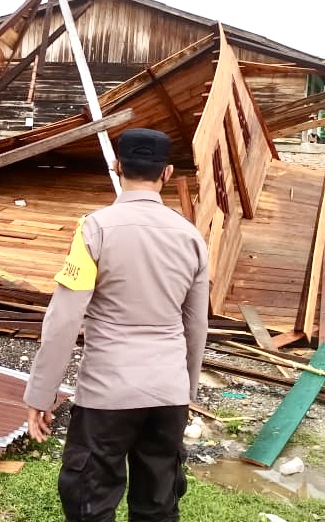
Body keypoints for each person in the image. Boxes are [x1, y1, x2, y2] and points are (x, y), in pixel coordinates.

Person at [24, 127, 209, 522]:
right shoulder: (191, 237)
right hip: (167, 394)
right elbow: (196, 324)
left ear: (117, 165)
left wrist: (42, 394)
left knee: (91, 503)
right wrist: (186, 390)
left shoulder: (95, 229)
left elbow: (63, 319)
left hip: (107, 395)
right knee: (158, 507)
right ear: (168, 172)